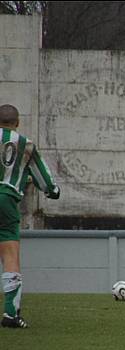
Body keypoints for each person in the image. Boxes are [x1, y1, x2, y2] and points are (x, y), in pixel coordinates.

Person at [0, 104, 60, 328]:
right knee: (10, 256)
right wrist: (53, 191)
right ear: (17, 123)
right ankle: (10, 313)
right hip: (6, 200)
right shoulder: (26, 144)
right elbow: (46, 182)